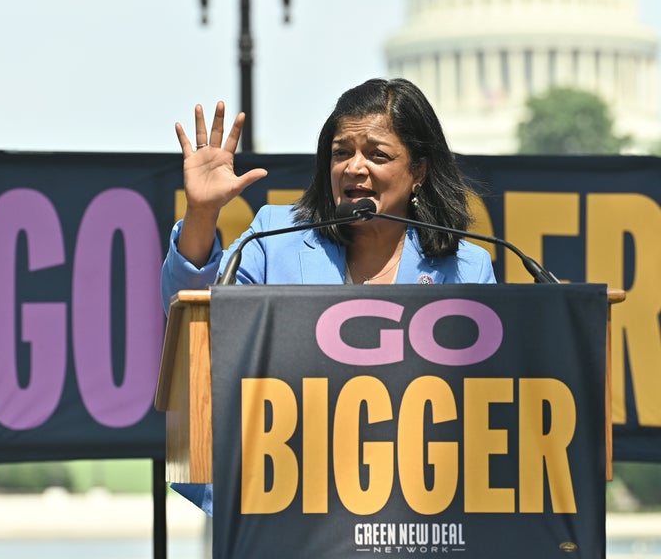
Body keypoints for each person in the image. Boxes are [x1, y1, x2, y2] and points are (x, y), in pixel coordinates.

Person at [161, 78, 497, 514]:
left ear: (419, 170)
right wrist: (202, 213)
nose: (355, 167)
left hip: (417, 510)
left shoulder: (467, 268)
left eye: (377, 154)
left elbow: (486, 404)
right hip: (284, 500)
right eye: (342, 153)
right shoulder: (274, 238)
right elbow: (194, 321)